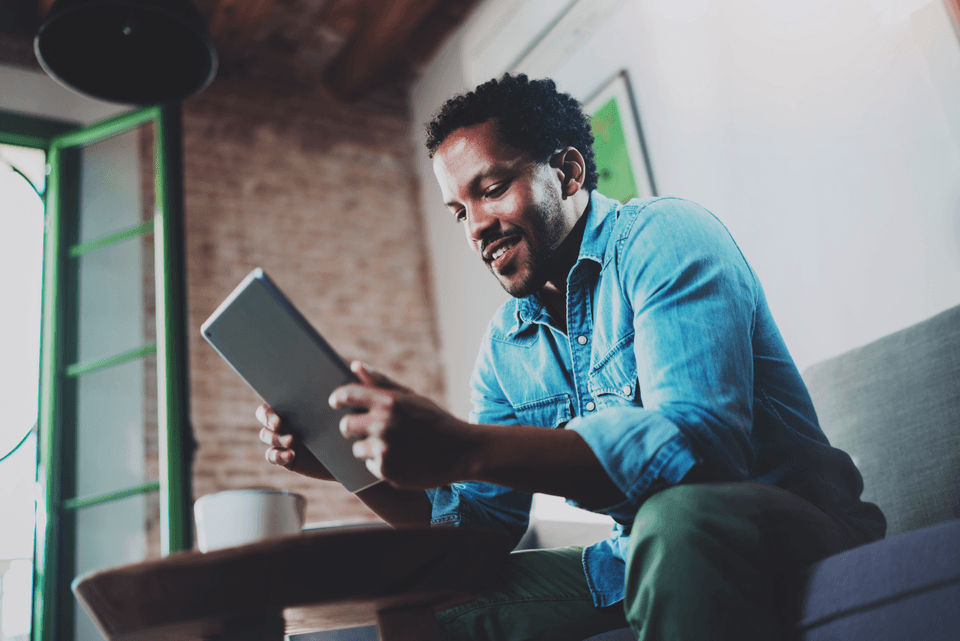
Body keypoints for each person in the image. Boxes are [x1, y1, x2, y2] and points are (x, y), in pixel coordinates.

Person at [255, 73, 885, 640]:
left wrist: (462, 445)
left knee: (678, 518)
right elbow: (479, 531)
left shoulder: (665, 237)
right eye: (459, 210)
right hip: (639, 554)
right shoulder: (506, 348)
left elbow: (700, 449)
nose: (475, 225)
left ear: (571, 173)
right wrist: (349, 461)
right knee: (426, 604)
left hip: (792, 529)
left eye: (493, 188)